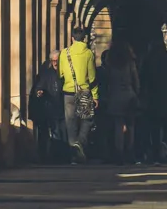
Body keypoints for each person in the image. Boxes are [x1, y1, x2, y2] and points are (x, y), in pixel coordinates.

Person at [59, 28, 98, 164]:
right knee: (87, 120)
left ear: (72, 39)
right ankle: (80, 143)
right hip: (84, 91)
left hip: (68, 92)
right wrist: (95, 95)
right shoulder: (88, 54)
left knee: (70, 122)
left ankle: (73, 153)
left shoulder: (64, 53)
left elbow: (61, 73)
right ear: (84, 39)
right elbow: (92, 77)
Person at [103, 40, 140, 165]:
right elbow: (136, 80)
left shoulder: (110, 63)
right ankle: (129, 152)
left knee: (118, 127)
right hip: (129, 96)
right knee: (131, 126)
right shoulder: (130, 63)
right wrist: (137, 92)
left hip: (115, 96)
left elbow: (107, 81)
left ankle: (118, 154)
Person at [30, 51, 68, 163]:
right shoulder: (46, 74)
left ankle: (63, 156)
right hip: (51, 108)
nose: (56, 63)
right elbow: (39, 86)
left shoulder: (66, 73)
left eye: (57, 61)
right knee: (54, 132)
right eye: (54, 61)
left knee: (63, 132)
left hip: (64, 106)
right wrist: (40, 91)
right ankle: (55, 157)